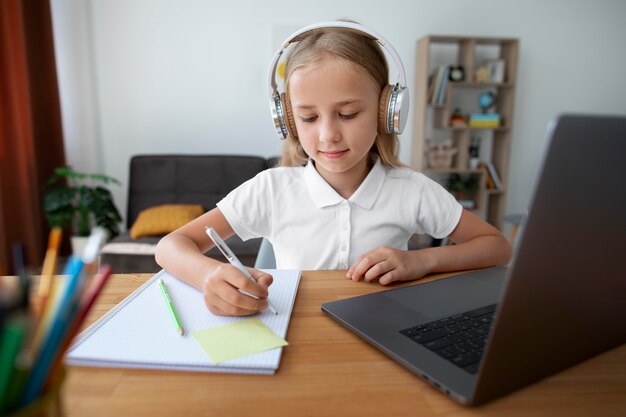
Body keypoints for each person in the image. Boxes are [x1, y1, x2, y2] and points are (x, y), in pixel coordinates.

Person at [155, 21, 512, 317]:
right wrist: (211, 275)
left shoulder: (412, 190)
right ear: (289, 121)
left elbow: (496, 246)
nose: (328, 135)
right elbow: (171, 246)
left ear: (386, 110)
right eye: (308, 117)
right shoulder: (270, 190)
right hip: (295, 339)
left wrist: (421, 260)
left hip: (382, 340)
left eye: (348, 114)